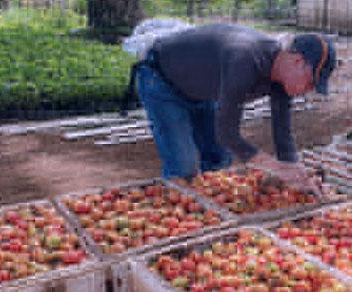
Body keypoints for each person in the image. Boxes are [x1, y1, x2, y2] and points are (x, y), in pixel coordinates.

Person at [126, 23, 337, 194]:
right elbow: (227, 133)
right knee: (184, 168)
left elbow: (283, 135)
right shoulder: (245, 57)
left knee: (219, 159)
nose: (308, 90)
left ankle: (207, 212)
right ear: (297, 61)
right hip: (162, 82)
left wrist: (297, 176)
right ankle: (178, 224)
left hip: (201, 88)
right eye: (310, 83)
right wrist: (274, 167)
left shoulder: (282, 81)